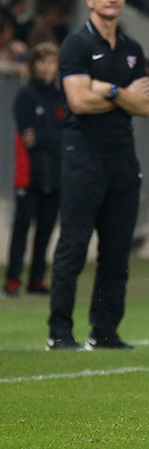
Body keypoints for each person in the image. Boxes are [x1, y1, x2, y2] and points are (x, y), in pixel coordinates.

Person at [46, 0, 149, 350]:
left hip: (123, 157)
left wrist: (105, 88)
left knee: (116, 251)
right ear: (90, 0)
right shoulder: (76, 44)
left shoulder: (132, 48)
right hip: (83, 156)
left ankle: (105, 331)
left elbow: (145, 105)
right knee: (73, 246)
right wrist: (122, 93)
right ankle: (60, 332)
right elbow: (78, 101)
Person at [5, 43, 66, 296]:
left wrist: (43, 137)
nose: (46, 67)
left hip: (55, 173)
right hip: (29, 173)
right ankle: (13, 278)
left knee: (46, 228)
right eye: (41, 61)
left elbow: (65, 136)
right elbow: (27, 136)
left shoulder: (61, 97)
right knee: (22, 228)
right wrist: (51, 138)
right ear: (33, 65)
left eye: (51, 61)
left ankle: (37, 279)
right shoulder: (26, 95)